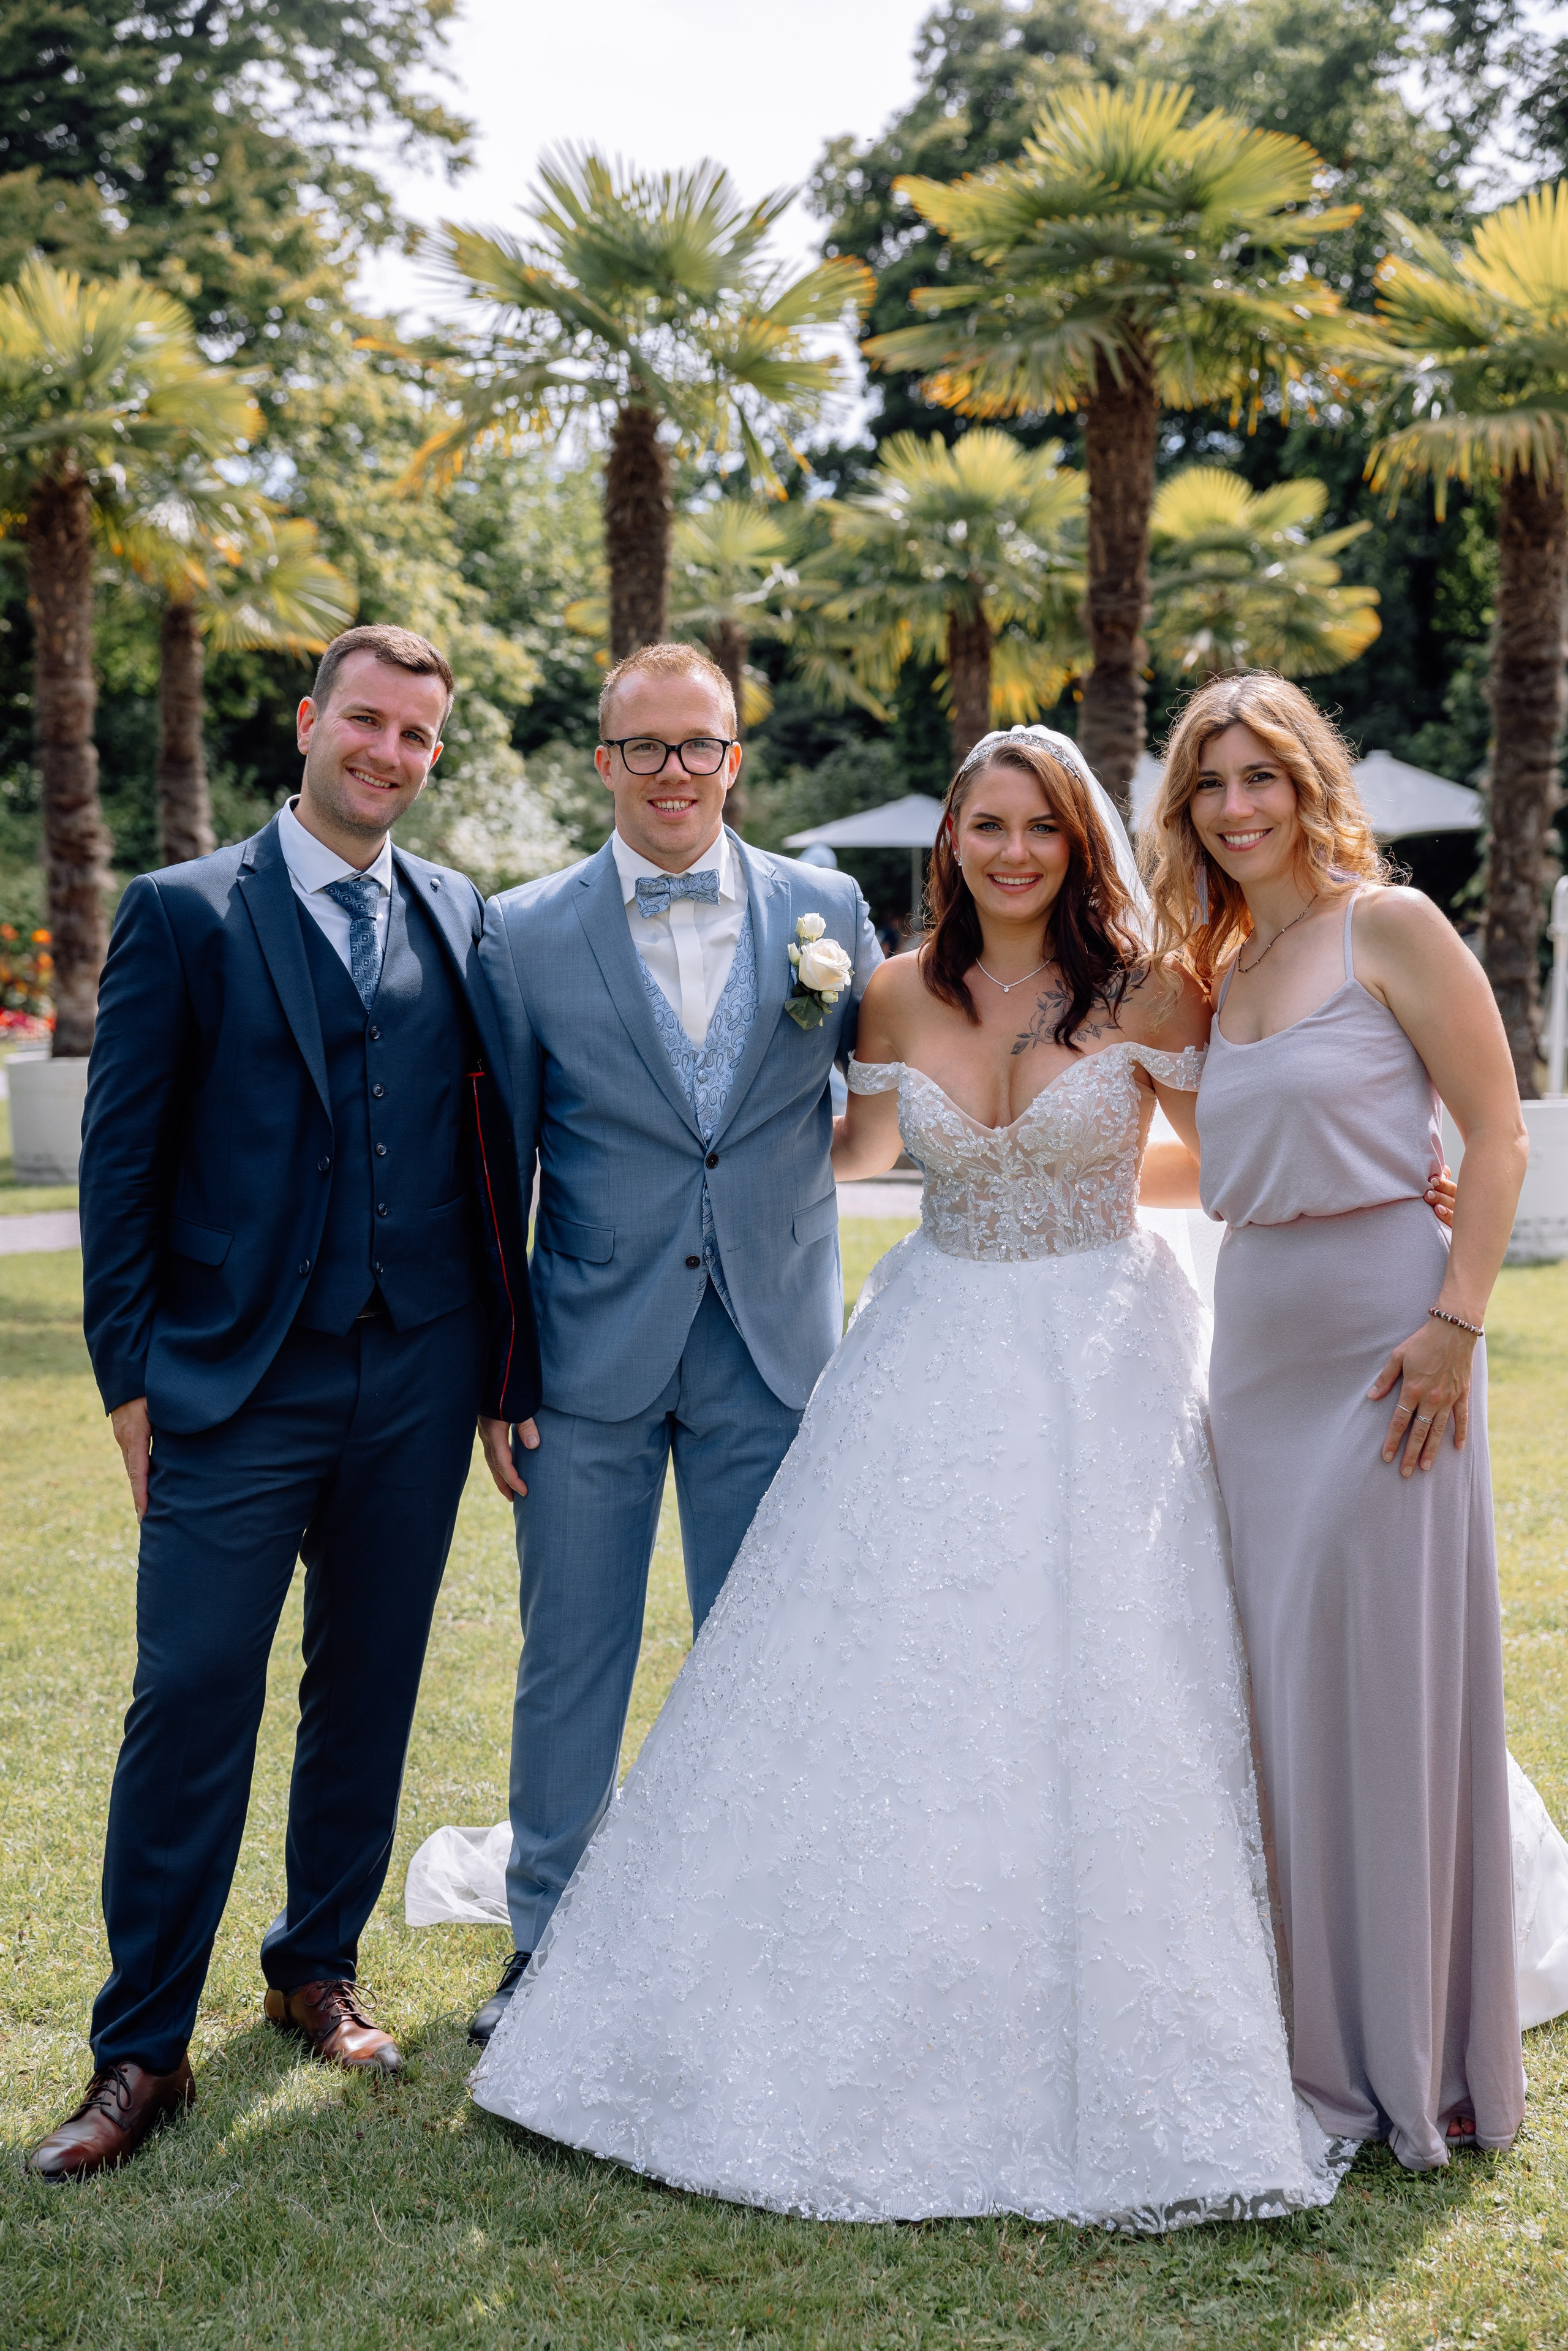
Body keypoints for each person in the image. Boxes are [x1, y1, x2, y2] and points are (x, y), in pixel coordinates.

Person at [464, 726, 1353, 2228]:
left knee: (1114, 1662)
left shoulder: (1151, 989)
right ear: (950, 842)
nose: (1012, 852)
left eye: (1041, 827)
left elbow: (1225, 1157)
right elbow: (853, 1147)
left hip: (1103, 1346)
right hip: (931, 1342)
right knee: (886, 1665)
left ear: (1079, 842)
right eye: (986, 825)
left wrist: (1355, 1172)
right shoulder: (883, 988)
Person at [27, 625, 537, 2184]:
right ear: (310, 722)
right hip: (233, 1377)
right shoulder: (183, 910)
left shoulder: (458, 912)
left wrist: (500, 1371)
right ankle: (141, 2047)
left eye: (417, 735)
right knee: (190, 1690)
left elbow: (490, 1153)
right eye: (365, 721)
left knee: (368, 1683)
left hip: (418, 1366)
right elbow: (120, 1163)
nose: (389, 752)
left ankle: (315, 1967)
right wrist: (129, 1378)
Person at [463, 641, 881, 2048]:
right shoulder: (521, 932)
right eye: (642, 745)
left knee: (764, 1657)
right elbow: (496, 1170)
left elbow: (907, 1080)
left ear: (732, 758)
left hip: (772, 1347)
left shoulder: (827, 910)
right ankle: (544, 1939)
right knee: (569, 1655)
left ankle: (762, 1929)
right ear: (603, 761)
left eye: (696, 743)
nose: (670, 771)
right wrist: (501, 1371)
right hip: (584, 1358)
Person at [1142, 672, 1529, 2172]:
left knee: (1385, 1689)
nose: (1236, 805)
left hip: (1389, 1348)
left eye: (1261, 775)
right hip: (1254, 1355)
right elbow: (1213, 1162)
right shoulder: (1217, 970)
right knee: (1282, 1694)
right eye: (1209, 783)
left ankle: (1412, 2051)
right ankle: (1303, 2029)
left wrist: (1454, 1320)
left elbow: (1493, 1132)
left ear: (1309, 784)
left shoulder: (1391, 926)